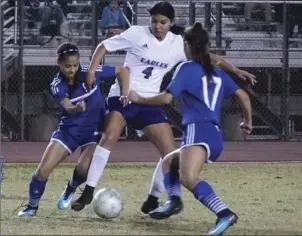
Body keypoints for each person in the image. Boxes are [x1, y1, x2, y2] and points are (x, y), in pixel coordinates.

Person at [70, 1, 256, 213]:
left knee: (169, 154)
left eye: (163, 22)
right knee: (111, 134)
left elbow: (211, 58)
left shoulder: (178, 44)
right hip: (124, 95)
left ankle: (154, 199)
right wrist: (93, 71)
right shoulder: (136, 33)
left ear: (171, 23)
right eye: (154, 21)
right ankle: (89, 190)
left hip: (150, 101)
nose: (158, 26)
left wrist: (236, 70)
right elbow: (103, 46)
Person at [128, 22, 252, 235]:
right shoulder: (216, 72)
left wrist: (140, 98)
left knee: (189, 178)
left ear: (188, 45)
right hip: (214, 135)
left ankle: (224, 213)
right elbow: (243, 95)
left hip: (198, 130)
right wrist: (248, 121)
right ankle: (174, 201)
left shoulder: (186, 68)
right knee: (169, 162)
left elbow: (167, 98)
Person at [18, 42, 130, 217]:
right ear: (59, 64)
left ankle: (71, 187)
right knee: (42, 170)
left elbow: (122, 71)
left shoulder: (89, 70)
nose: (72, 69)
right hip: (68, 131)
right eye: (67, 66)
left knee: (85, 169)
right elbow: (67, 106)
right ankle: (31, 207)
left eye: (75, 65)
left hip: (92, 132)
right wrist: (77, 109)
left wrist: (125, 93)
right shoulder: (57, 83)